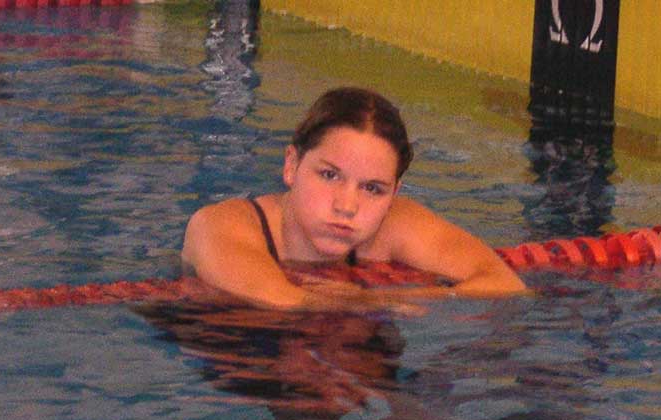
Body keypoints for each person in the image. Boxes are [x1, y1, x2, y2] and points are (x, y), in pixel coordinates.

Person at [182, 87, 526, 311]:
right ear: (291, 165)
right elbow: (285, 303)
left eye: (372, 189)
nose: (346, 206)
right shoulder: (219, 225)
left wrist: (387, 297)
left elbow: (505, 285)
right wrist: (374, 304)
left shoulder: (394, 224)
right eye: (329, 175)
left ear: (394, 193)